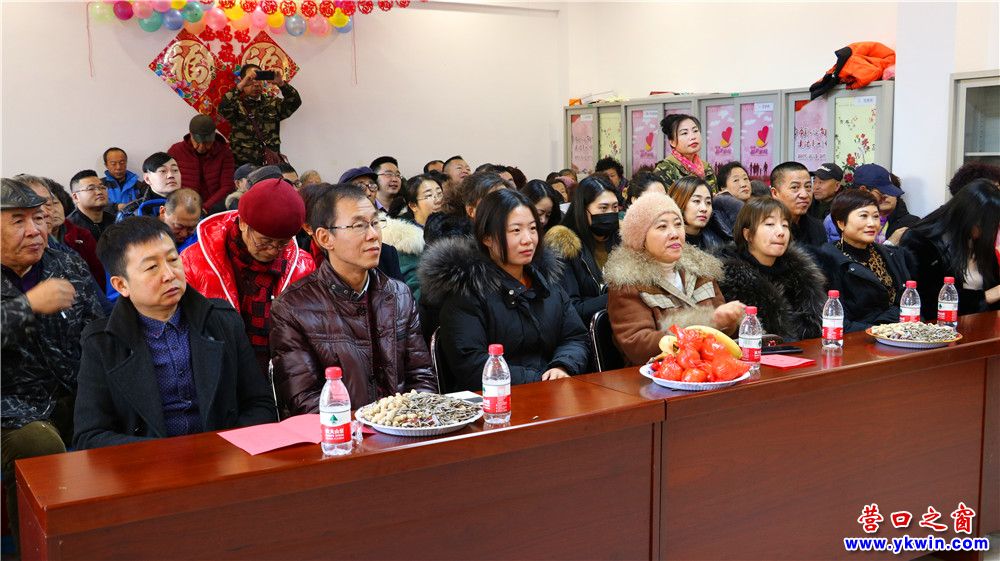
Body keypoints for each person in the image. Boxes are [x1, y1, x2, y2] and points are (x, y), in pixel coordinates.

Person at [74, 218, 276, 449]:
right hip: (150, 465)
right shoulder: (102, 343)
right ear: (121, 285)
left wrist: (224, 447)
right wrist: (164, 454)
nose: (169, 274)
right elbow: (89, 435)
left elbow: (260, 404)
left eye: (173, 259)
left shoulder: (222, 321)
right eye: (152, 267)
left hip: (225, 456)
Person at [1, 178, 104, 549]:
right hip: (10, 408)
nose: (35, 231)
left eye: (39, 218)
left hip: (73, 391)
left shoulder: (65, 261)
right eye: (18, 221)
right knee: (38, 445)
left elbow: (98, 324)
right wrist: (26, 307)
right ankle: (37, 550)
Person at [270, 185, 437, 413]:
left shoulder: (399, 295)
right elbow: (305, 400)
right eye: (359, 225)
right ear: (325, 238)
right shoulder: (293, 307)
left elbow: (421, 376)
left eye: (375, 222)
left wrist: (408, 420)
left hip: (402, 426)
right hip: (339, 431)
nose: (373, 235)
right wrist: (367, 425)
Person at [419, 189, 589, 392]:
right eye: (516, 230)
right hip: (493, 400)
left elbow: (575, 336)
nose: (528, 239)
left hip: (551, 391)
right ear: (487, 237)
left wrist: (562, 366)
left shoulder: (547, 283)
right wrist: (540, 380)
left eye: (533, 228)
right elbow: (472, 364)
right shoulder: (466, 292)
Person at [181, 178, 315, 376]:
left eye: (282, 244)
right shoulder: (194, 261)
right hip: (218, 370)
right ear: (243, 223)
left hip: (280, 372)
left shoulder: (302, 265)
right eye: (265, 241)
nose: (273, 251)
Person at [603, 192, 744, 365]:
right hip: (658, 374)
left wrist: (728, 322)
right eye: (662, 227)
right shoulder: (627, 282)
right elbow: (638, 346)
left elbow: (728, 334)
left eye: (678, 224)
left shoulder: (701, 270)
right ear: (641, 238)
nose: (674, 233)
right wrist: (709, 323)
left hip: (713, 368)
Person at [715, 197, 826, 341]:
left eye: (785, 225)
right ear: (748, 234)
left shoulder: (801, 273)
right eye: (769, 224)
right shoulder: (727, 277)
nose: (781, 232)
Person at [899, 178, 1000, 320]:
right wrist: (988, 296)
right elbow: (928, 302)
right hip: (938, 327)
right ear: (969, 217)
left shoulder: (979, 242)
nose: (991, 230)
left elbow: (993, 285)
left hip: (981, 324)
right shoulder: (920, 241)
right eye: (988, 224)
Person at [816, 189, 911, 331]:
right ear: (841, 223)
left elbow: (907, 301)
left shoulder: (889, 254)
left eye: (875, 216)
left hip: (896, 333)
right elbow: (836, 320)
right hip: (857, 338)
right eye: (863, 216)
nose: (872, 223)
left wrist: (888, 328)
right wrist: (878, 330)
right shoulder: (827, 261)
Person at [543, 174, 620, 323]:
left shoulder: (622, 240)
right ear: (583, 210)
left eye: (615, 207)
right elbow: (572, 308)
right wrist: (618, 297)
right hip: (585, 330)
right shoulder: (563, 246)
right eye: (603, 208)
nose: (610, 213)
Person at [218, 64, 302, 167]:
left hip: (270, 164)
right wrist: (240, 86)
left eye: (259, 79)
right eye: (251, 79)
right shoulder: (236, 105)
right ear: (243, 80)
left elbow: (295, 102)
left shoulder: (272, 103)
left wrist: (281, 83)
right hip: (244, 167)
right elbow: (223, 109)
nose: (256, 84)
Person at [380, 174, 444, 299]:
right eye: (429, 195)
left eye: (439, 194)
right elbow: (413, 285)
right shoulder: (406, 239)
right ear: (413, 205)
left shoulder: (454, 227)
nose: (437, 200)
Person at [337, 167, 406, 282]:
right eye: (360, 187)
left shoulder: (387, 253)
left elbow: (401, 290)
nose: (368, 193)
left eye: (372, 186)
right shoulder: (336, 247)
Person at [168, 114, 236, 213]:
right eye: (197, 142)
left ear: (213, 137)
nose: (201, 147)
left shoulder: (224, 152)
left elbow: (227, 186)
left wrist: (205, 208)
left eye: (207, 143)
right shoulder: (176, 151)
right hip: (184, 205)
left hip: (215, 206)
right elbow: (168, 182)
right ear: (191, 135)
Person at [769, 161, 827, 249]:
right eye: (795, 187)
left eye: (808, 187)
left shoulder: (817, 227)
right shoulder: (766, 228)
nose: (804, 195)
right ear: (775, 193)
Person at [668, 175, 734, 252]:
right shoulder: (669, 243)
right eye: (696, 201)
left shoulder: (720, 238)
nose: (704, 208)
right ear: (678, 202)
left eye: (708, 202)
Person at [654, 114, 716, 188]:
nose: (693, 137)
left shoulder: (706, 167)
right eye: (684, 133)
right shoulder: (664, 169)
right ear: (672, 142)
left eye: (695, 131)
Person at [118, 152, 183, 220]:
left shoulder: (190, 204)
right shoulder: (131, 212)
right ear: (147, 178)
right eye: (163, 171)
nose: (171, 175)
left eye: (175, 170)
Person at [67, 170, 117, 242]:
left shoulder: (115, 222)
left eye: (102, 187)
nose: (99, 192)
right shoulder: (68, 228)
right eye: (91, 188)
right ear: (76, 197)